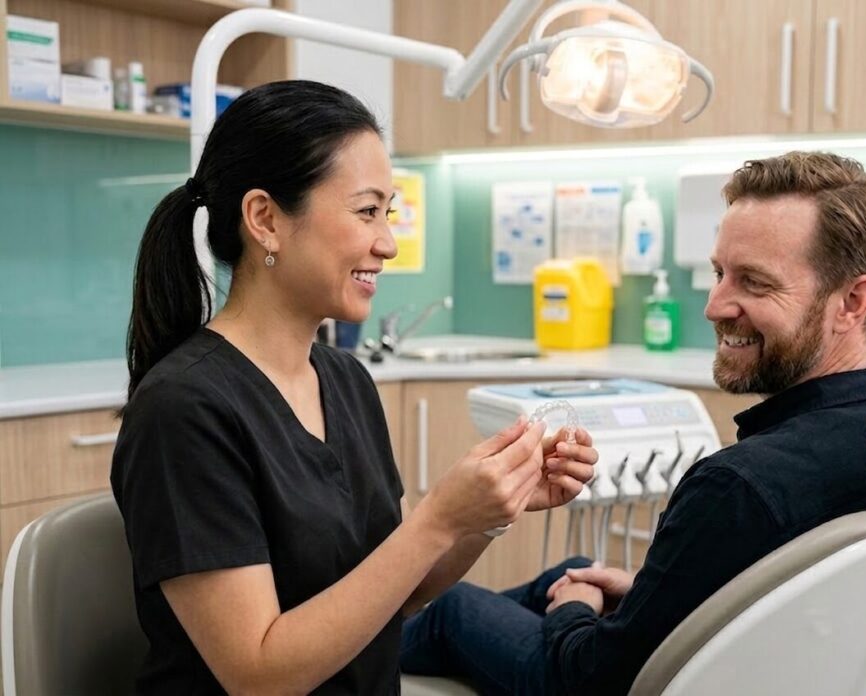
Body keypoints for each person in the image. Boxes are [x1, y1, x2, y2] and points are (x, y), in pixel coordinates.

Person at [400, 151, 866, 695]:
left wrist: (574, 613)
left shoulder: (738, 487)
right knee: (575, 570)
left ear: (853, 302)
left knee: (457, 608)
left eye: (754, 283)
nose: (715, 305)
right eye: (719, 273)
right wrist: (645, 600)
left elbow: (589, 680)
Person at [110, 80, 597, 696]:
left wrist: (486, 514)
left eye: (387, 213)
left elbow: (397, 592)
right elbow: (259, 674)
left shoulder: (344, 380)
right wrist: (435, 521)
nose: (387, 243)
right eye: (367, 211)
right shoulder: (183, 409)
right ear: (265, 220)